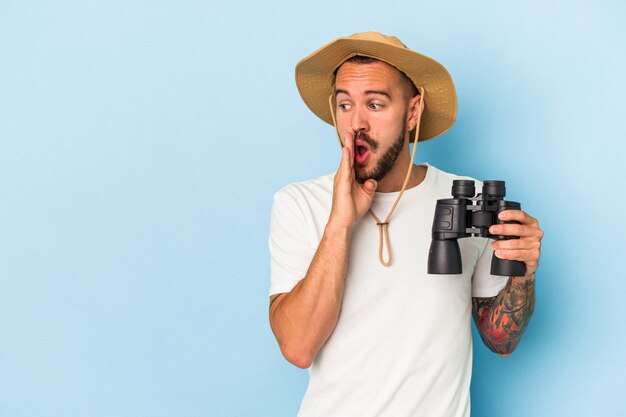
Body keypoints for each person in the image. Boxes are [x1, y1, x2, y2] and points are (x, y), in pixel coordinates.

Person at [268, 32, 543, 417]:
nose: (356, 124)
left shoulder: (469, 200)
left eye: (375, 104)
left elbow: (501, 341)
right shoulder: (299, 203)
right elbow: (297, 348)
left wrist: (524, 273)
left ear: (413, 112)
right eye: (345, 105)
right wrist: (340, 224)